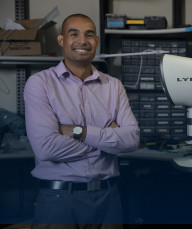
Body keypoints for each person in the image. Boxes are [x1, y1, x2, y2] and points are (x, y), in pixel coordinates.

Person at [24, 13, 140, 225]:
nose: (82, 41)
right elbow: (46, 148)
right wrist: (109, 141)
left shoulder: (113, 86)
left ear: (96, 41)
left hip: (108, 198)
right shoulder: (39, 83)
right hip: (59, 200)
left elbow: (132, 139)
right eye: (73, 34)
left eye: (89, 34)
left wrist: (79, 131)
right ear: (61, 40)